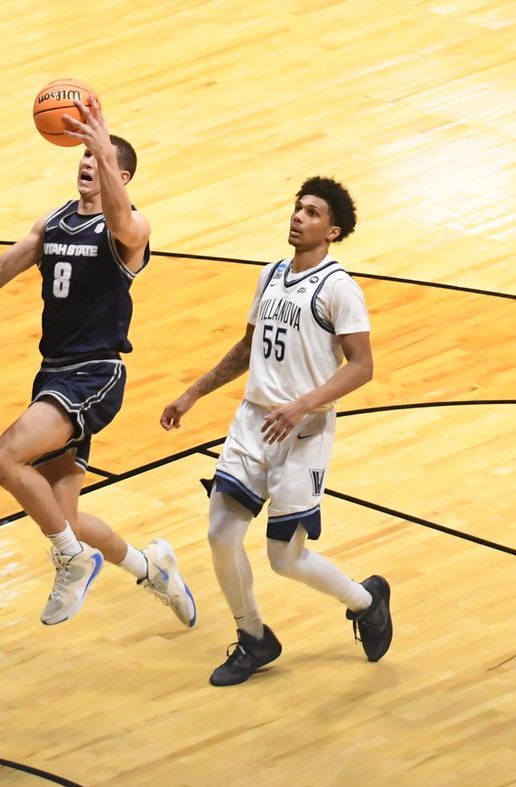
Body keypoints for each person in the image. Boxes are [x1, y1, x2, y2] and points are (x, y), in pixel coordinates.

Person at [0, 96, 195, 628]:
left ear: (120, 173)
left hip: (95, 373)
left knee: (3, 458)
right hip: (54, 372)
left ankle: (70, 560)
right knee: (66, 516)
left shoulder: (130, 228)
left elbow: (121, 216)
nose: (86, 163)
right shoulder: (55, 222)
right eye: (82, 157)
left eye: (97, 158)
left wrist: (104, 149)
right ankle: (152, 568)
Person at [160, 177, 392, 686]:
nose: (297, 217)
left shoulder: (339, 288)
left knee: (284, 559)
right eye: (296, 208)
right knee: (220, 535)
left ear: (331, 230)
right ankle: (254, 639)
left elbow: (363, 366)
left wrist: (303, 404)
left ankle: (366, 600)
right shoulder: (269, 276)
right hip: (253, 420)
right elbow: (248, 349)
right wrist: (195, 391)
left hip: (303, 429)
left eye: (311, 213)